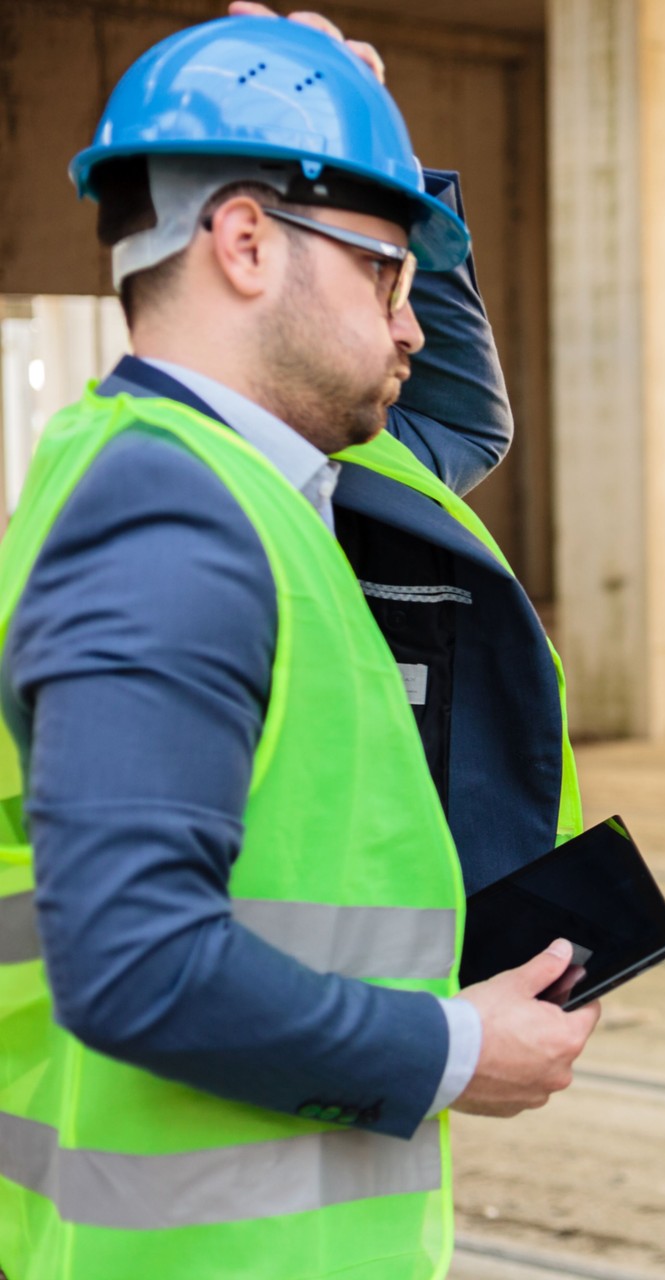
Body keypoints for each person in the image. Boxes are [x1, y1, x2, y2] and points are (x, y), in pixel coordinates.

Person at [0, 12, 596, 1277]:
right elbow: (137, 960)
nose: (414, 322)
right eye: (388, 270)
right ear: (248, 241)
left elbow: (449, 414)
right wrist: (451, 1047)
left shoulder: (267, 491)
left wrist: (369, 145)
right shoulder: (168, 516)